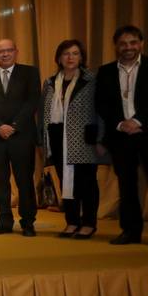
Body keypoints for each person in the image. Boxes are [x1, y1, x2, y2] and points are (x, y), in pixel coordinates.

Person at [96, 25, 148, 248]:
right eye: (123, 44)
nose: (128, 47)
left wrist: (137, 121)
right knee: (126, 185)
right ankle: (130, 231)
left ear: (141, 43)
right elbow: (102, 104)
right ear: (116, 46)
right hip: (120, 136)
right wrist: (121, 124)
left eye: (132, 43)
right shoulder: (106, 71)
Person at [41, 39, 106, 240]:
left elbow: (102, 110)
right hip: (57, 136)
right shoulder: (51, 82)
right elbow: (43, 112)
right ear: (59, 58)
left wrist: (101, 139)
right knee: (65, 181)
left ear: (81, 57)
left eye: (75, 53)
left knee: (86, 182)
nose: (70, 58)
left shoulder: (91, 79)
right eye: (66, 54)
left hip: (83, 139)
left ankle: (88, 223)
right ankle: (71, 221)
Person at [0, 39, 41, 236]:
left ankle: (28, 221)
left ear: (16, 52)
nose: (5, 54)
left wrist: (13, 126)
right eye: (0, 51)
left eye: (8, 50)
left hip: (21, 135)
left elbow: (32, 101)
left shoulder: (29, 73)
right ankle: (4, 220)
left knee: (24, 180)